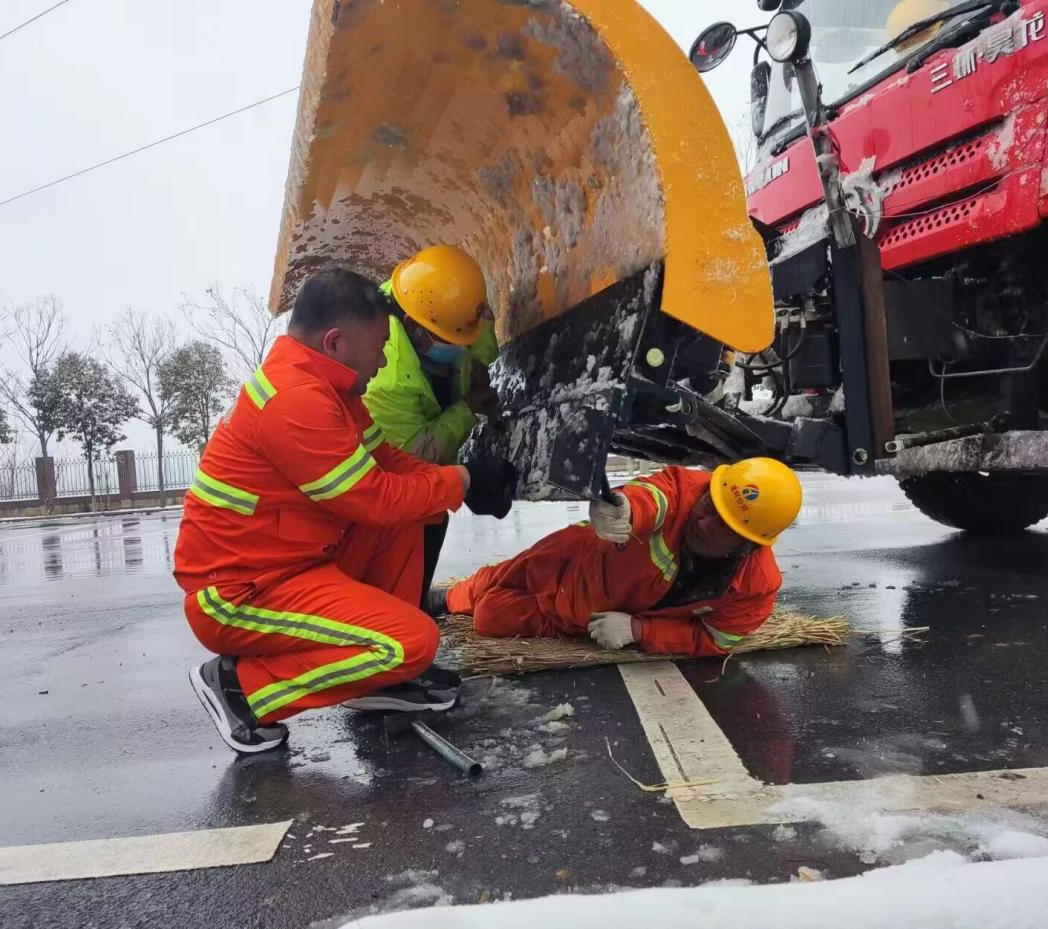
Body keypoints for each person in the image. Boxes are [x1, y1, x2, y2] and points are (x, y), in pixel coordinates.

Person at [176, 268, 494, 755]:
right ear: (336, 341)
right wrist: (464, 481)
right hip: (241, 596)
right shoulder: (294, 400)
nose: (386, 356)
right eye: (381, 345)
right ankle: (244, 689)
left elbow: (386, 463)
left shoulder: (330, 388)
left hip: (291, 566)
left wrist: (458, 481)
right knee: (409, 642)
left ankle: (381, 682)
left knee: (417, 511)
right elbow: (371, 497)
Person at [433, 459, 802, 656]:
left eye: (720, 524)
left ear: (747, 544)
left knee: (488, 617)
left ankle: (468, 602)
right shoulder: (686, 489)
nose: (701, 517)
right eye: (709, 503)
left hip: (578, 618)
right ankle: (446, 599)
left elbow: (715, 641)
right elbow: (654, 495)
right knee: (501, 577)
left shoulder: (755, 587)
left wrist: (640, 631)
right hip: (576, 554)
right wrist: (624, 507)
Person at [363, 245, 500, 607]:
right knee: (427, 505)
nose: (458, 347)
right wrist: (468, 409)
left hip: (438, 390)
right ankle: (406, 607)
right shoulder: (385, 376)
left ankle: (416, 597)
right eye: (448, 342)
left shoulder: (443, 297)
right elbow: (417, 451)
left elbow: (477, 329)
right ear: (413, 326)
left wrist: (482, 365)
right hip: (395, 461)